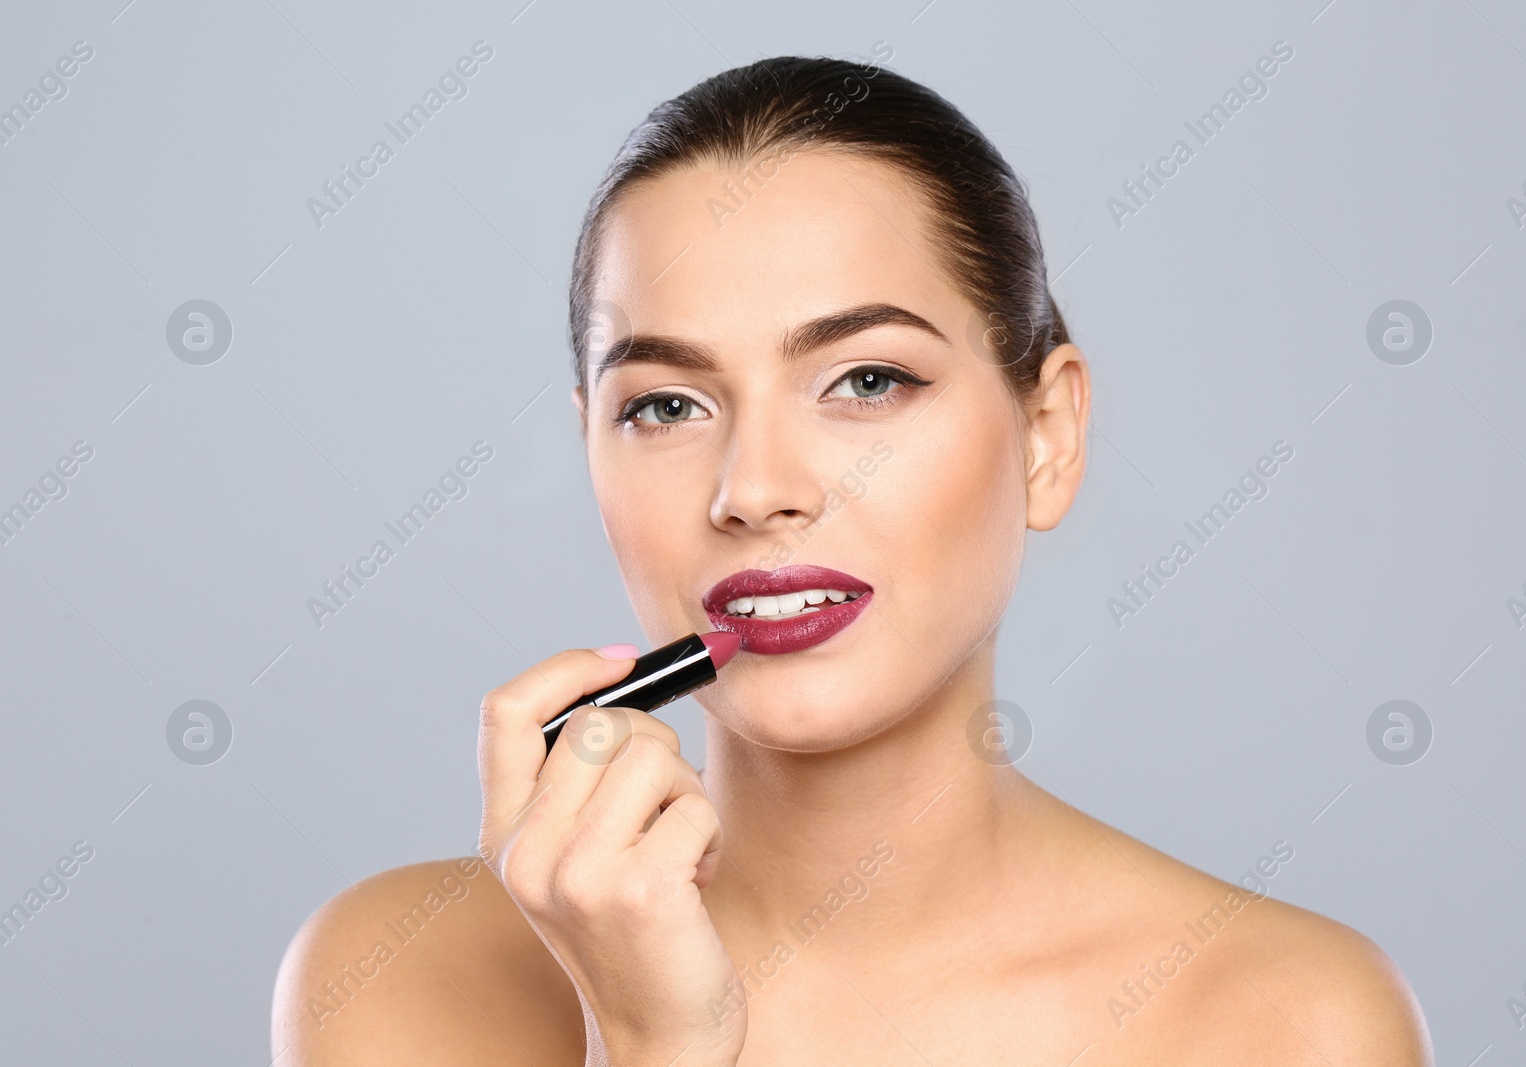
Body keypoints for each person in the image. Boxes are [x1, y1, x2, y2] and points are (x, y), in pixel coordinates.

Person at [272, 55, 1433, 1065]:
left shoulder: (1285, 1021)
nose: (754, 488)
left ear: (1047, 434)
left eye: (868, 380)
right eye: (666, 405)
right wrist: (654, 1047)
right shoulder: (392, 978)